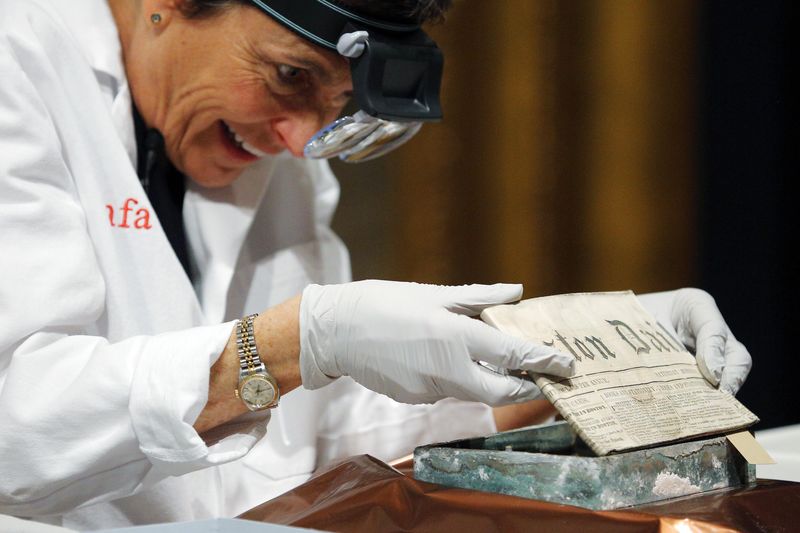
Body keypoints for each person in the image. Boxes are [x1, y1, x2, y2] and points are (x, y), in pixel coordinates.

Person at [0, 0, 752, 529]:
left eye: (335, 103)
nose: (299, 142)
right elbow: (20, 432)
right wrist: (297, 341)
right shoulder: (17, 59)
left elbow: (311, 438)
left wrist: (579, 357)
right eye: (288, 76)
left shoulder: (278, 155)